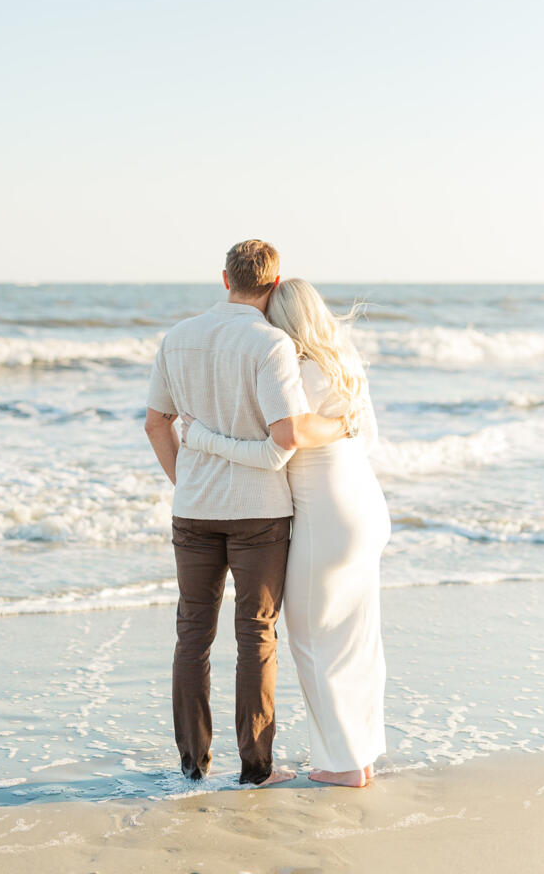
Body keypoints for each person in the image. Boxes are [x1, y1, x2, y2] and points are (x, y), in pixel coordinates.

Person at [144, 241, 347, 786]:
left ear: (225, 278)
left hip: (193, 512)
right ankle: (256, 769)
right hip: (259, 513)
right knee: (256, 635)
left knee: (192, 633)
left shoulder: (177, 337)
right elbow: (286, 438)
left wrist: (187, 478)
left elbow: (156, 424)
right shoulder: (271, 345)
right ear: (275, 284)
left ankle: (192, 764)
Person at [182, 278, 391, 788]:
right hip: (366, 506)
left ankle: (343, 767)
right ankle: (360, 754)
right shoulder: (345, 365)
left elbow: (279, 445)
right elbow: (368, 436)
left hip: (326, 516)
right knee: (357, 636)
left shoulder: (289, 368)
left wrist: (202, 437)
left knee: (312, 638)